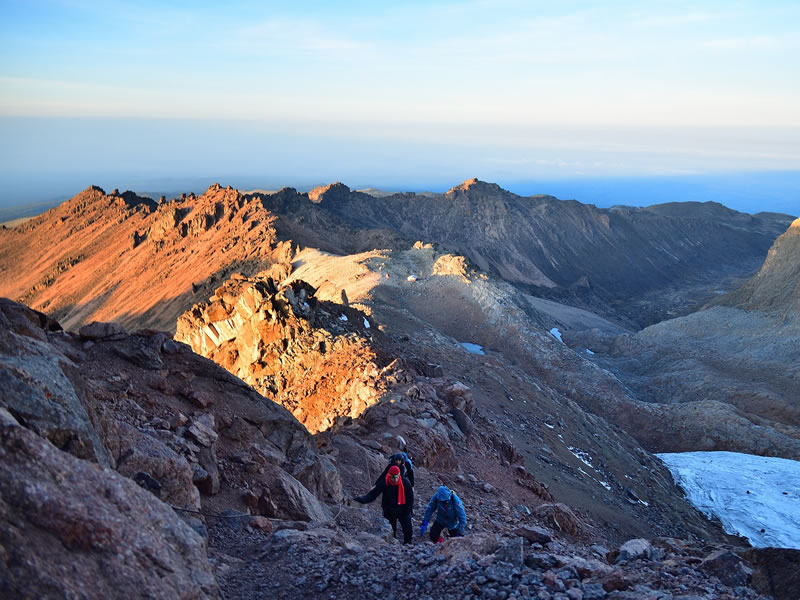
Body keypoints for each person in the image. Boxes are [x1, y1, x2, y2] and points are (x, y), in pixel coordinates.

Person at [354, 465, 414, 543]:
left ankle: (407, 544)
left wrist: (407, 512)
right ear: (389, 475)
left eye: (396, 477)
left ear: (399, 475)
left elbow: (410, 499)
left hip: (403, 510)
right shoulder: (384, 482)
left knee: (408, 530)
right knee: (391, 529)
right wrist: (361, 500)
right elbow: (372, 495)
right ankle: (393, 544)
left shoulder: (406, 483)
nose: (395, 479)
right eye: (392, 477)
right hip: (389, 510)